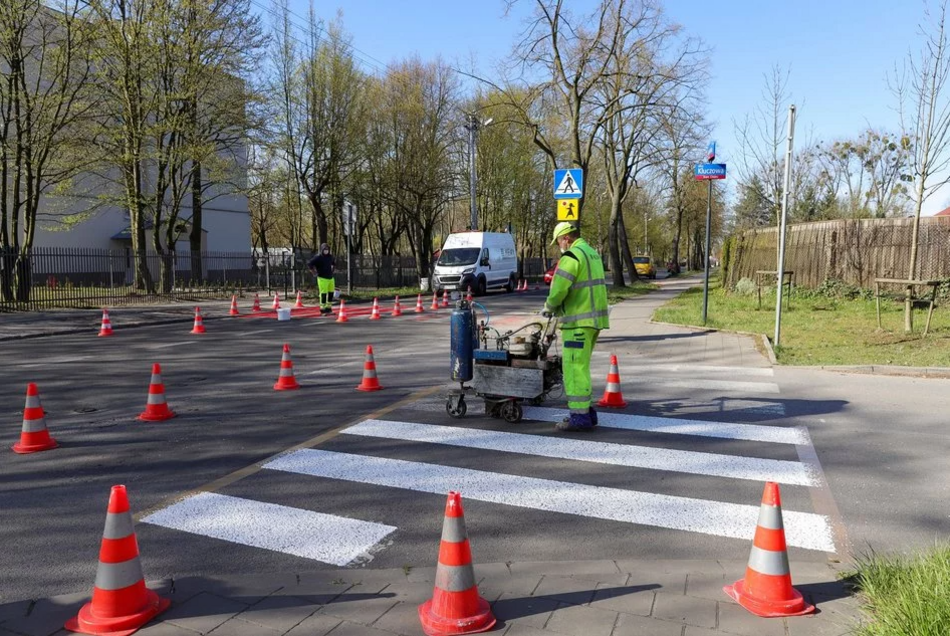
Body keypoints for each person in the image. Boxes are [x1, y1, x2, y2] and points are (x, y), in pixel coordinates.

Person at [542, 222, 610, 431]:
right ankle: (588, 413)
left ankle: (579, 418)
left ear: (566, 238)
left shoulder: (571, 257)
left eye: (559, 242)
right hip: (594, 322)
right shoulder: (592, 254)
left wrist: (549, 307)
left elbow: (560, 289)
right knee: (582, 368)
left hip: (577, 323)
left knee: (573, 369)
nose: (559, 246)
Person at [307, 243, 335, 315]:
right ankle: (322, 309)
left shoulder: (330, 257)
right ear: (322, 250)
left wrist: (333, 269)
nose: (326, 251)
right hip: (322, 278)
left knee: (331, 293)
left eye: (327, 249)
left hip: (330, 278)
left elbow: (333, 263)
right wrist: (313, 272)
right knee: (323, 293)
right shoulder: (318, 257)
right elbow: (310, 263)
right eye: (324, 249)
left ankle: (329, 308)